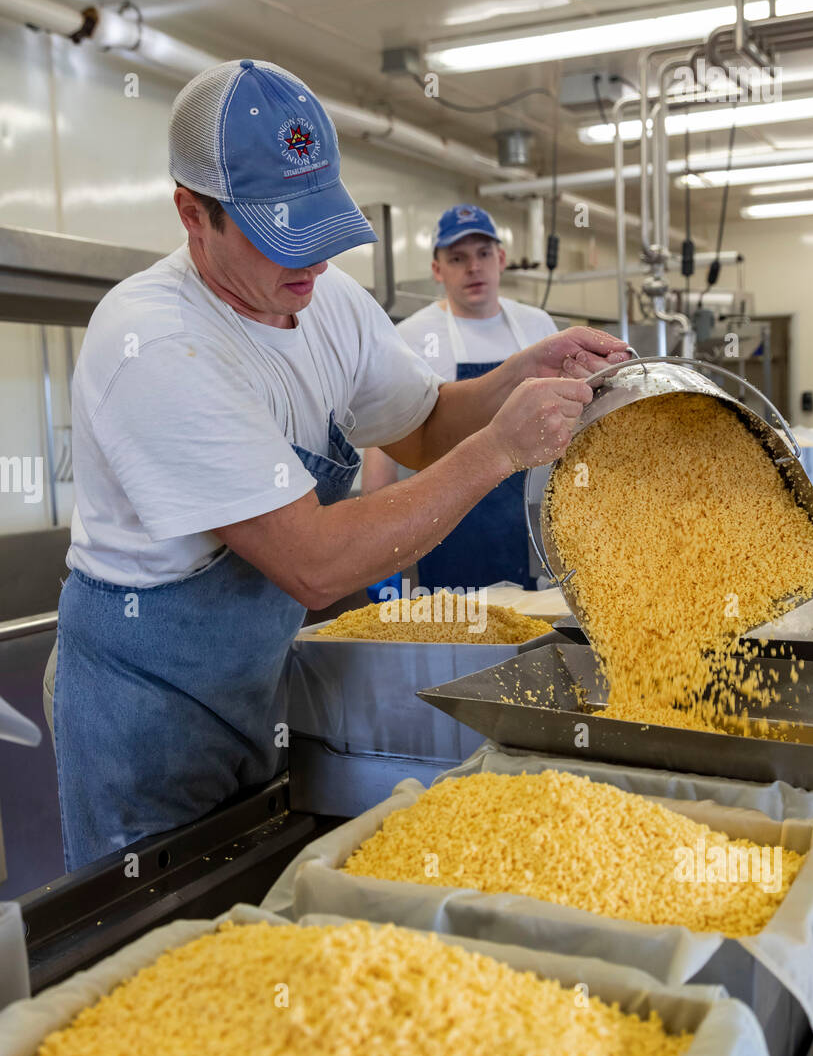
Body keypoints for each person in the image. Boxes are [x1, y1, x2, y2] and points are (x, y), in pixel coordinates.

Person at [46, 58, 628, 871]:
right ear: (192, 214)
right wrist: (502, 448)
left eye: (322, 227)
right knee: (160, 931)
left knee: (255, 901)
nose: (313, 262)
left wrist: (520, 376)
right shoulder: (155, 342)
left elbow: (423, 426)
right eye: (281, 233)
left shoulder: (325, 301)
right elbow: (312, 564)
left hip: (254, 682)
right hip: (149, 707)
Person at [362, 204, 559, 589]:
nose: (473, 267)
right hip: (450, 530)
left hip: (536, 526)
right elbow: (382, 443)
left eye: (483, 254)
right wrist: (377, 552)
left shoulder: (538, 327)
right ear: (438, 269)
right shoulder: (412, 336)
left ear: (500, 259)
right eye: (457, 258)